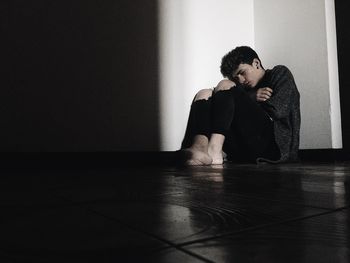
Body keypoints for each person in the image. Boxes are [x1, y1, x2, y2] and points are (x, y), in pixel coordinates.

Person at [180, 46, 300, 165]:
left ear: (256, 63)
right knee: (204, 93)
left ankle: (214, 150)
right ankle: (200, 149)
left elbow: (278, 110)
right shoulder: (245, 91)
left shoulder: (279, 73)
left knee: (225, 84)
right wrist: (251, 96)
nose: (241, 80)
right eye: (236, 78)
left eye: (242, 73)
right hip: (246, 147)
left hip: (275, 148)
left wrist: (250, 98)